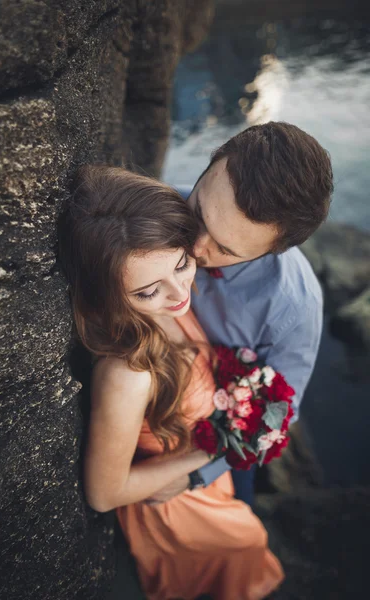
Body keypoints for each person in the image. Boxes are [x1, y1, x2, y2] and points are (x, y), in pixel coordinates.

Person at [58, 164, 284, 600]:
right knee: (248, 545)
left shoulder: (173, 307)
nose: (179, 292)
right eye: (147, 292)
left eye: (182, 264)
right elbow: (104, 494)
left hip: (204, 480)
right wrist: (209, 449)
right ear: (105, 295)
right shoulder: (127, 374)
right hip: (172, 505)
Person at [147, 121, 334, 507]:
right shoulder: (150, 208)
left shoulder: (296, 306)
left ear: (273, 250)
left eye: (226, 249)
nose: (196, 249)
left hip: (211, 452)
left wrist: (195, 475)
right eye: (198, 211)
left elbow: (280, 411)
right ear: (207, 169)